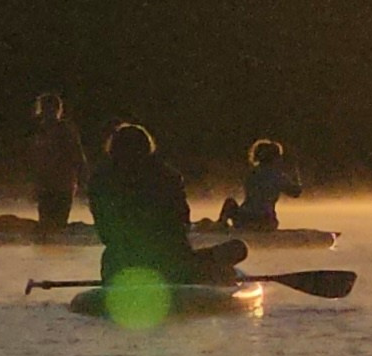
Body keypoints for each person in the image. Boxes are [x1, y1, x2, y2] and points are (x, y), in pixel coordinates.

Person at [88, 121, 243, 287]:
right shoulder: (167, 176)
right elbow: (182, 221)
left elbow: (105, 231)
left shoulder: (100, 180)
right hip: (171, 263)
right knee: (238, 248)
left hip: (120, 264)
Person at [30, 91, 87, 239]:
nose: (47, 112)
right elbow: (35, 161)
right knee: (46, 225)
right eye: (45, 109)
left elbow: (77, 156)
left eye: (50, 109)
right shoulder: (39, 132)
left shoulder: (66, 130)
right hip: (46, 185)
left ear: (57, 110)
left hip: (62, 185)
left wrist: (82, 179)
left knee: (57, 225)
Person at [219, 137, 302, 236]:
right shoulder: (277, 176)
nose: (280, 159)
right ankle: (258, 230)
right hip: (263, 220)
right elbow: (296, 193)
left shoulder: (251, 173)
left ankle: (221, 225)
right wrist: (295, 172)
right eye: (279, 156)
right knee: (271, 221)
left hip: (243, 218)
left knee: (230, 201)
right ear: (274, 158)